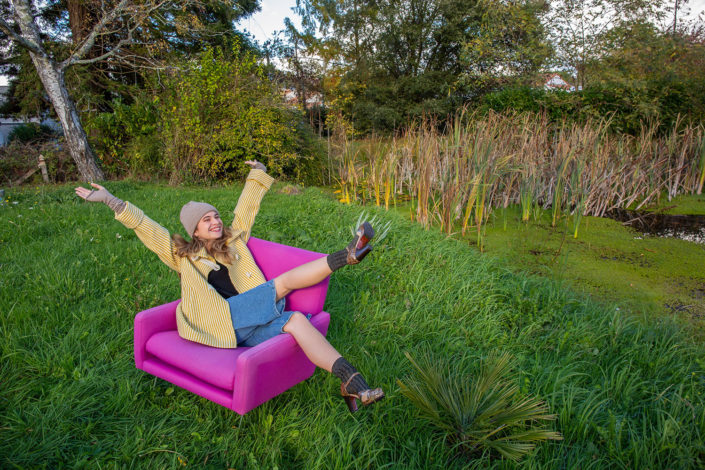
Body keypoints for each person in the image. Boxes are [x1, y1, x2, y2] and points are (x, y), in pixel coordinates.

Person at [75, 160, 384, 413]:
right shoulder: (183, 256)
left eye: (216, 216)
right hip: (222, 324)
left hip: (251, 325)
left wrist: (258, 173)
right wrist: (111, 201)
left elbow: (246, 209)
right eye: (206, 220)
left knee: (298, 322)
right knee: (284, 283)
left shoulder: (234, 241)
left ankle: (352, 382)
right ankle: (349, 256)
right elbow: (148, 228)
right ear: (194, 230)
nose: (215, 222)